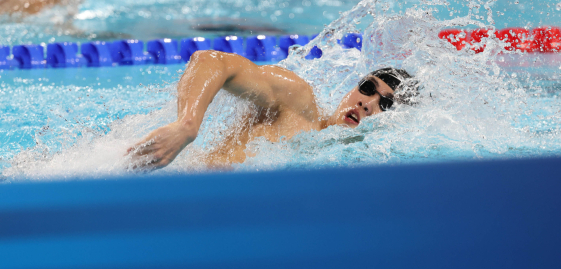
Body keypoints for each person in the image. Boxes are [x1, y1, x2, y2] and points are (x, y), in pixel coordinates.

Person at [127, 50, 417, 170]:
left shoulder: (349, 166)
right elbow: (212, 61)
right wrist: (187, 125)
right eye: (367, 88)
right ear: (352, 88)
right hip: (161, 175)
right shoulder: (297, 102)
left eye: (385, 104)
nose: (367, 103)